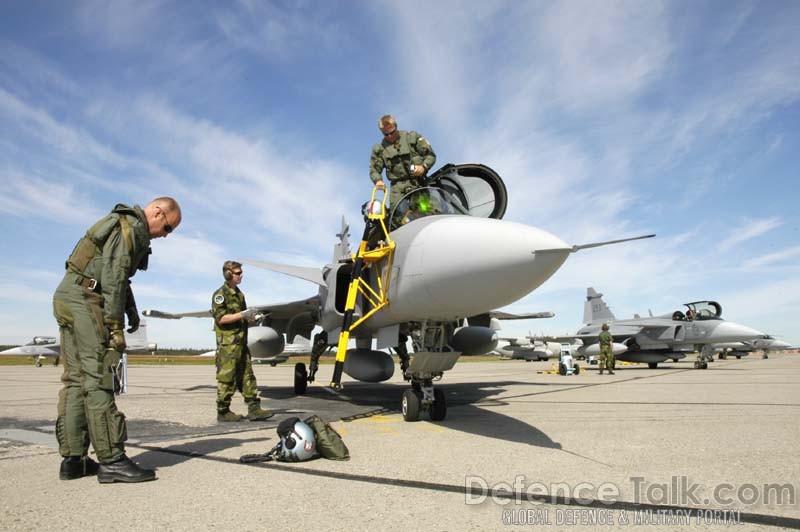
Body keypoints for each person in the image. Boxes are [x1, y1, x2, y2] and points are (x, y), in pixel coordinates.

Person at [53, 197, 182, 483]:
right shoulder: (129, 229)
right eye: (168, 228)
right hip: (87, 299)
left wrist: (131, 310)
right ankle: (111, 460)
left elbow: (119, 277)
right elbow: (113, 277)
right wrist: (115, 327)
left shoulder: (122, 225)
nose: (164, 235)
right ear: (157, 212)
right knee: (99, 376)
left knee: (75, 379)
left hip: (69, 294)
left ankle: (73, 460)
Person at [212, 261, 274, 422]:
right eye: (238, 273)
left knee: (247, 376)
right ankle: (223, 411)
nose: (241, 275)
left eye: (241, 272)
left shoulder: (240, 295)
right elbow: (221, 318)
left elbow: (242, 318)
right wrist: (242, 315)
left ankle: (254, 408)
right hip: (228, 345)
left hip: (241, 343)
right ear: (228, 274)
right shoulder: (220, 295)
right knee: (227, 378)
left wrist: (253, 318)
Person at [369, 114, 436, 212]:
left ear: (396, 126)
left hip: (418, 183)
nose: (390, 136)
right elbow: (374, 169)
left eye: (392, 132)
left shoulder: (412, 138)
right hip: (397, 188)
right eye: (386, 134)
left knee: (426, 212)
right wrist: (378, 180)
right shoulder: (380, 149)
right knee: (397, 217)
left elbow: (430, 155)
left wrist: (423, 167)